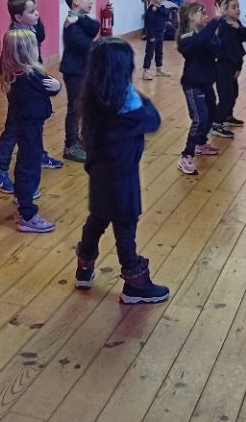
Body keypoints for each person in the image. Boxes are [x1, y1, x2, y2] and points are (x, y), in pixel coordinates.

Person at [74, 38, 168, 304]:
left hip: (99, 175)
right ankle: (134, 283)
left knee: (97, 219)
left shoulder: (93, 100)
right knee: (125, 228)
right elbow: (153, 119)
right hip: (123, 179)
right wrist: (138, 95)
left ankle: (84, 268)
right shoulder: (128, 109)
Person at [0, 0, 63, 193]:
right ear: (18, 17)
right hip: (20, 93)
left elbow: (41, 36)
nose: (37, 14)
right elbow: (4, 66)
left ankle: (38, 155)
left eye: (36, 9)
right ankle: (0, 173)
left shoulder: (32, 28)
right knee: (12, 130)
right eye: (32, 11)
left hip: (32, 87)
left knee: (35, 127)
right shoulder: (13, 38)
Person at [0, 29, 61, 233]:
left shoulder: (13, 71)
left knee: (24, 161)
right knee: (30, 166)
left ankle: (22, 195)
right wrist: (58, 86)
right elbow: (52, 88)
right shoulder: (32, 74)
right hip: (30, 125)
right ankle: (27, 215)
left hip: (22, 123)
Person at [176, 0, 224, 175]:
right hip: (193, 85)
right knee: (200, 119)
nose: (206, 15)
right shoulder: (186, 38)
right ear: (191, 16)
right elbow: (199, 42)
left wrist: (211, 31)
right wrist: (216, 21)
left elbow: (217, 47)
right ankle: (186, 155)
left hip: (206, 83)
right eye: (202, 13)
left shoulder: (203, 35)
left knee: (211, 114)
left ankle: (200, 144)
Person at [60, 0, 101, 163]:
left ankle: (81, 140)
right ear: (76, 1)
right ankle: (70, 144)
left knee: (85, 106)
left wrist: (79, 18)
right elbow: (87, 45)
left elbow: (95, 27)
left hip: (85, 70)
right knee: (75, 108)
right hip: (74, 72)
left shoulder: (78, 20)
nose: (91, 1)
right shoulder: (70, 25)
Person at [211, 0, 246, 137]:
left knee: (233, 93)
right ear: (225, 10)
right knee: (226, 95)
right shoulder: (222, 25)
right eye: (234, 7)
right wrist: (237, 65)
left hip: (232, 65)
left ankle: (227, 116)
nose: (237, 10)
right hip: (223, 65)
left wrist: (238, 27)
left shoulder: (235, 23)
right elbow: (227, 50)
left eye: (238, 7)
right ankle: (217, 124)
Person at [142, 0, 174, 80]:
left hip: (161, 33)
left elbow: (166, 14)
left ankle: (159, 69)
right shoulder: (150, 10)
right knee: (149, 52)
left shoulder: (161, 7)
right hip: (153, 34)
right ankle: (146, 71)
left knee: (159, 52)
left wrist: (159, 8)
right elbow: (149, 24)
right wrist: (151, 35)